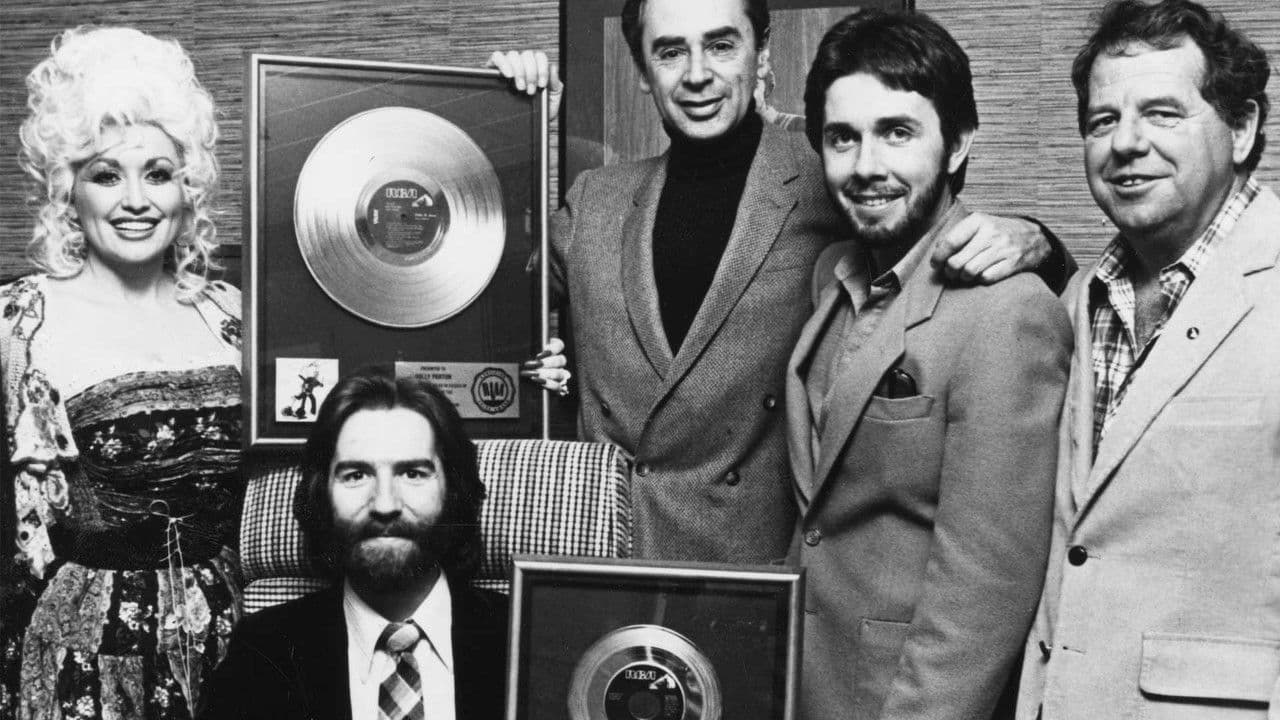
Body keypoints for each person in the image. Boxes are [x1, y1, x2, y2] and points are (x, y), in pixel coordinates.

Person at [495, 0, 1073, 563]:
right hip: (606, 556)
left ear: (762, 51)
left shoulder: (834, 165)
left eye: (721, 45)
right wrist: (519, 131)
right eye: (670, 52)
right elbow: (485, 308)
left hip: (752, 567)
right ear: (643, 71)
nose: (697, 74)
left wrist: (1039, 241)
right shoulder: (596, 199)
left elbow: (935, 230)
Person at [787, 10, 1071, 720]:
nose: (866, 166)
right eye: (842, 137)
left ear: (957, 143)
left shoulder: (1009, 312)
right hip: (806, 684)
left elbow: (983, 590)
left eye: (897, 132)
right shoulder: (833, 278)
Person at [1016, 2, 1278, 718]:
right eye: (1103, 121)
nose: (1126, 144)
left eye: (1162, 113)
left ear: (1241, 128)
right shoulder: (1079, 297)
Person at [0, 26, 243, 719]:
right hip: (85, 661)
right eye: (107, 175)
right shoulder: (19, 322)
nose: (136, 199)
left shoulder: (233, 314)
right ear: (68, 189)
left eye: (157, 174)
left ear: (186, 187)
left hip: (236, 641)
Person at [201, 369, 506, 720]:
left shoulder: (525, 637)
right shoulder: (260, 652)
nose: (385, 505)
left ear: (453, 491)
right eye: (356, 475)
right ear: (322, 495)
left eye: (413, 473)